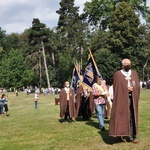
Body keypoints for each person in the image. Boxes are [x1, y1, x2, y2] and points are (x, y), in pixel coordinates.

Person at [109, 58, 140, 144]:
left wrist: (133, 88)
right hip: (122, 99)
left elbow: (137, 85)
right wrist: (125, 89)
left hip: (132, 99)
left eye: (129, 64)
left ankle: (132, 136)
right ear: (123, 65)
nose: (128, 66)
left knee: (132, 117)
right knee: (121, 116)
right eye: (126, 64)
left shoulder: (134, 73)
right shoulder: (118, 74)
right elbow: (117, 87)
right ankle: (120, 134)